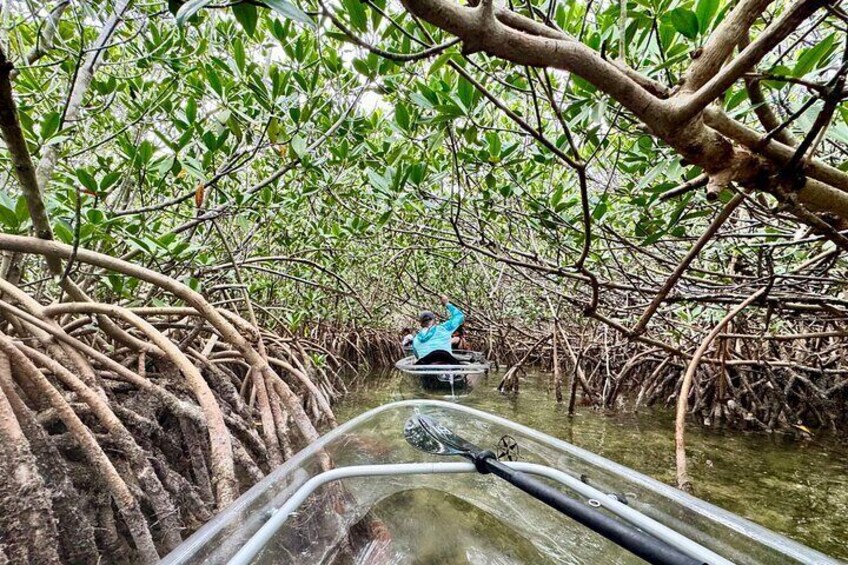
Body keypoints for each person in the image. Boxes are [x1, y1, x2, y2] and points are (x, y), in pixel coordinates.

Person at [412, 295, 464, 365]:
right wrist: (446, 303)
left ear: (421, 323)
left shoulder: (415, 339)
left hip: (426, 365)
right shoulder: (444, 328)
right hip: (446, 361)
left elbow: (417, 356)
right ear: (434, 320)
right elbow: (459, 316)